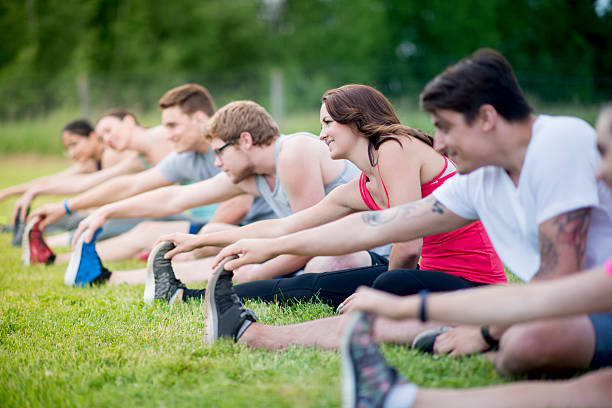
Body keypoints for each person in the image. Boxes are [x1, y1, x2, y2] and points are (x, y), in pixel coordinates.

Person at [201, 49, 612, 378]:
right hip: (545, 307)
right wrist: (265, 246)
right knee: (382, 301)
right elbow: (377, 225)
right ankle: (250, 334)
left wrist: (486, 328)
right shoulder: (478, 181)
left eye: (446, 127)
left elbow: (562, 278)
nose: (441, 144)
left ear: (487, 118)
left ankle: (448, 343)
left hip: (576, 308)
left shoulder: (557, 142)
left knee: (522, 341)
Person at [341, 102, 612, 407]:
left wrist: (484, 332)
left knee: (529, 342)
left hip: (477, 285)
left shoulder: (396, 151)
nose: (598, 173)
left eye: (604, 154)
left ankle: (402, 396)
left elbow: (550, 291)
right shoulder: (475, 180)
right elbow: (552, 294)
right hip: (515, 299)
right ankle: (398, 398)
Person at [150, 84, 504, 308]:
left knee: (389, 281)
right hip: (426, 274)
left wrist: (381, 294)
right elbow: (287, 226)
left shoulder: (395, 148)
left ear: (355, 120)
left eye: (327, 124)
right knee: (311, 284)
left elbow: (408, 245)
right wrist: (199, 242)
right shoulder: (361, 186)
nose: (321, 135)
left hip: (473, 284)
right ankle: (185, 297)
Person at [68, 99, 367, 292]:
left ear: (245, 141)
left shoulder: (293, 152)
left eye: (219, 152)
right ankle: (110, 279)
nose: (216, 163)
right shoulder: (254, 174)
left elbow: (307, 242)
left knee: (318, 265)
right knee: (217, 235)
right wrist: (106, 211)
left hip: (364, 252)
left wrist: (253, 274)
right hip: (308, 244)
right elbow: (176, 199)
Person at [27, 84, 271, 284]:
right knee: (150, 231)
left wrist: (196, 245)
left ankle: (108, 279)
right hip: (234, 229)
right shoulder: (186, 156)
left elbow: (237, 205)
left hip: (259, 231)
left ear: (198, 118)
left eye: (172, 125)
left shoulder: (231, 148)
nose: (168, 133)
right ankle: (65, 263)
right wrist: (71, 207)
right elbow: (132, 186)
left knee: (207, 241)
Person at [2, 118, 131, 246]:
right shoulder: (91, 163)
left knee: (74, 218)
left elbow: (99, 190)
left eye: (74, 144)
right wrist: (7, 192)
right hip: (104, 215)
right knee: (67, 216)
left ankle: (27, 234)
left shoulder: (111, 156)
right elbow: (53, 180)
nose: (72, 153)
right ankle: (19, 229)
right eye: (68, 148)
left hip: (124, 219)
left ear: (92, 137)